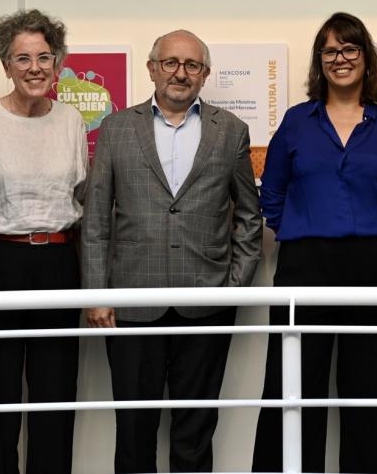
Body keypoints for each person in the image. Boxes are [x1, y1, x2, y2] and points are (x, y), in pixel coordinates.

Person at [81, 29, 261, 473]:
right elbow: (96, 218)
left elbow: (248, 217)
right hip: (132, 302)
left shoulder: (231, 131)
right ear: (152, 69)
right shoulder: (117, 128)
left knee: (195, 429)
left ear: (204, 75)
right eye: (170, 63)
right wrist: (98, 293)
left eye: (192, 65)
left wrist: (233, 287)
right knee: (134, 429)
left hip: (207, 303)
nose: (180, 73)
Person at [252, 12, 377, 474]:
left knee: (374, 394)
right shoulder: (298, 122)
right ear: (318, 61)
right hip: (306, 266)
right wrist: (301, 228)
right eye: (330, 51)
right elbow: (273, 193)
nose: (340, 59)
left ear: (366, 57)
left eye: (349, 49)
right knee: (292, 390)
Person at [0, 9, 87, 474]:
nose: (34, 67)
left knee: (55, 396)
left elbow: (79, 199)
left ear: (57, 63)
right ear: (5, 66)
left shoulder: (71, 121)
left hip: (57, 263)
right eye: (22, 58)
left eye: (44, 57)